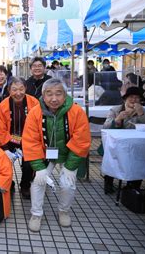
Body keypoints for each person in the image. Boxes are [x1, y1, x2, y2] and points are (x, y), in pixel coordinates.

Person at [22, 78, 91, 232]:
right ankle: (36, 214)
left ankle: (64, 211)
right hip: (45, 152)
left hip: (68, 153)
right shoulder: (35, 112)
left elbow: (81, 140)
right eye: (49, 94)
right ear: (43, 96)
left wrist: (70, 166)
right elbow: (30, 141)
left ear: (65, 95)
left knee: (68, 183)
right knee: (38, 181)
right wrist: (38, 167)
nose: (54, 98)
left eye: (58, 94)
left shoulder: (76, 111)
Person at [0, 77, 39, 199]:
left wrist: (30, 144)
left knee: (29, 163)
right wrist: (5, 149)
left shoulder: (34, 103)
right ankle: (10, 183)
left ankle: (25, 185)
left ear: (25, 89)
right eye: (14, 89)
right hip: (9, 139)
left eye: (21, 89)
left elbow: (38, 125)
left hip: (29, 139)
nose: (18, 93)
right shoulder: (3, 105)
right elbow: (0, 128)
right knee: (3, 160)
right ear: (9, 90)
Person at [102, 87, 145, 193]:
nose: (134, 100)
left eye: (137, 98)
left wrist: (141, 115)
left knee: (140, 156)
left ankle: (134, 185)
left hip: (137, 145)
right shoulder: (115, 110)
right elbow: (105, 128)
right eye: (131, 97)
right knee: (113, 155)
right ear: (125, 99)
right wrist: (117, 119)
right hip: (118, 145)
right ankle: (109, 181)